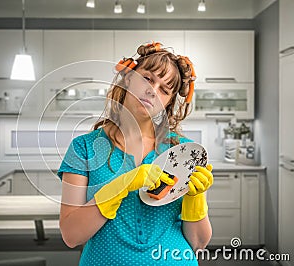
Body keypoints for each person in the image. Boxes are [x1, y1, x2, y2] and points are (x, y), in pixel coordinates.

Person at [57, 42, 213, 265]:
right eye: (148, 78)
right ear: (128, 78)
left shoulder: (184, 153)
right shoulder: (83, 148)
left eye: (164, 89)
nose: (153, 90)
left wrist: (195, 198)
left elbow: (198, 243)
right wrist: (119, 186)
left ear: (168, 102)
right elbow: (72, 236)